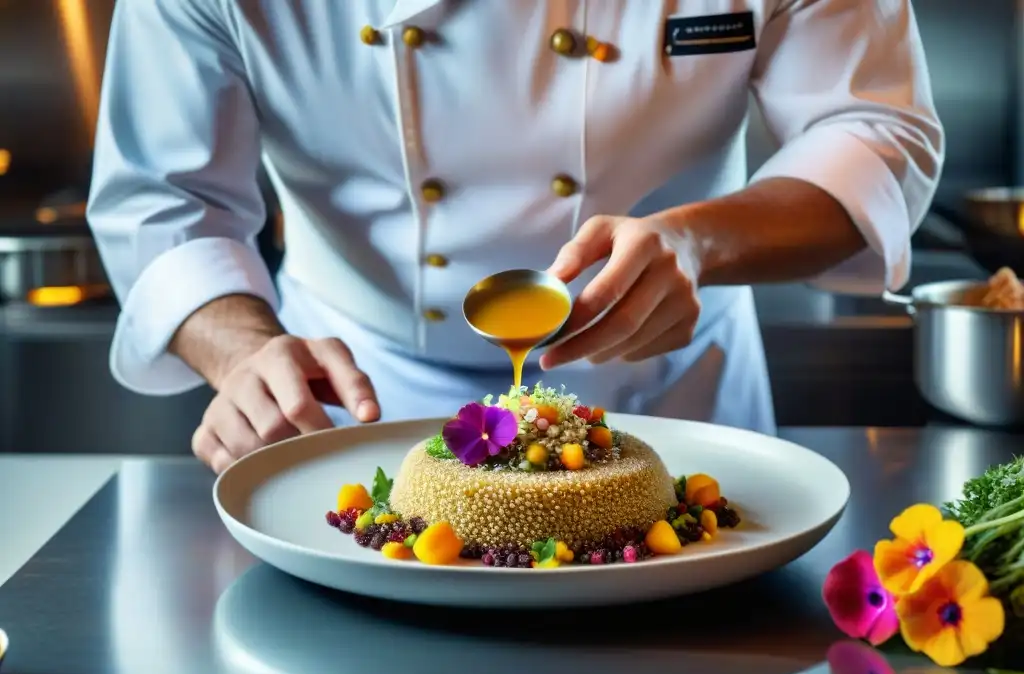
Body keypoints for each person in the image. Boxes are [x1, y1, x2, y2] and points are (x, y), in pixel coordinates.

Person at [87, 0, 943, 474]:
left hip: (671, 402)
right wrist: (244, 356)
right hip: (358, 408)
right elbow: (164, 198)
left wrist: (698, 244)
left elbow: (877, 130)